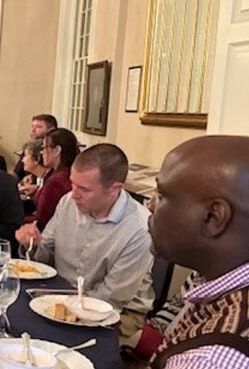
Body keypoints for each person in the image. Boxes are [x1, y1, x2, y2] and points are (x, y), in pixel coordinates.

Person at [69, 135, 249, 369]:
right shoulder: (226, 287)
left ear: (214, 217)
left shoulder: (218, 368)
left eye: (161, 195)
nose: (150, 206)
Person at [16, 143, 153, 341]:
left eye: (84, 189)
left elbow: (110, 299)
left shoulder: (139, 229)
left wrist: (58, 308)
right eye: (72, 184)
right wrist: (33, 244)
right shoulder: (67, 202)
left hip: (117, 314)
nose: (74, 193)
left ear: (115, 189)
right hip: (60, 295)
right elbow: (44, 257)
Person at [30, 127, 79, 230]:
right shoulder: (65, 173)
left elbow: (42, 221)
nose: (42, 153)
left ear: (57, 150)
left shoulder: (56, 182)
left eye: (44, 148)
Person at [14, 113, 57, 181]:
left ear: (51, 130)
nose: (33, 130)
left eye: (38, 127)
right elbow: (17, 173)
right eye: (32, 126)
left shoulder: (52, 154)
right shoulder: (29, 148)